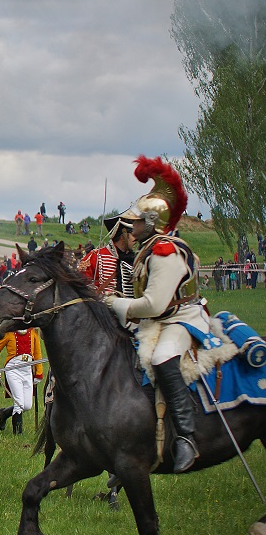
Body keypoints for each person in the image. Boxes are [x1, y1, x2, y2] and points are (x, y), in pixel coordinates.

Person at [106, 156, 208, 473]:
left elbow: (154, 304)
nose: (131, 226)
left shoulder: (165, 250)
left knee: (163, 357)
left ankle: (187, 437)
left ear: (151, 222)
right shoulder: (149, 248)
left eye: (136, 221)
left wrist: (115, 304)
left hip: (180, 319)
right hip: (157, 322)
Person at [0, 326, 43, 435]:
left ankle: (5, 413)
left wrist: (39, 372)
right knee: (19, 403)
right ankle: (18, 434)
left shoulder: (33, 332)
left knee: (27, 405)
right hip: (13, 370)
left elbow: (37, 353)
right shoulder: (8, 332)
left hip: (27, 371)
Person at [78, 216, 136, 297]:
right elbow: (80, 286)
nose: (136, 239)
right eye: (133, 235)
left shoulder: (135, 260)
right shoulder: (95, 256)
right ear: (123, 236)